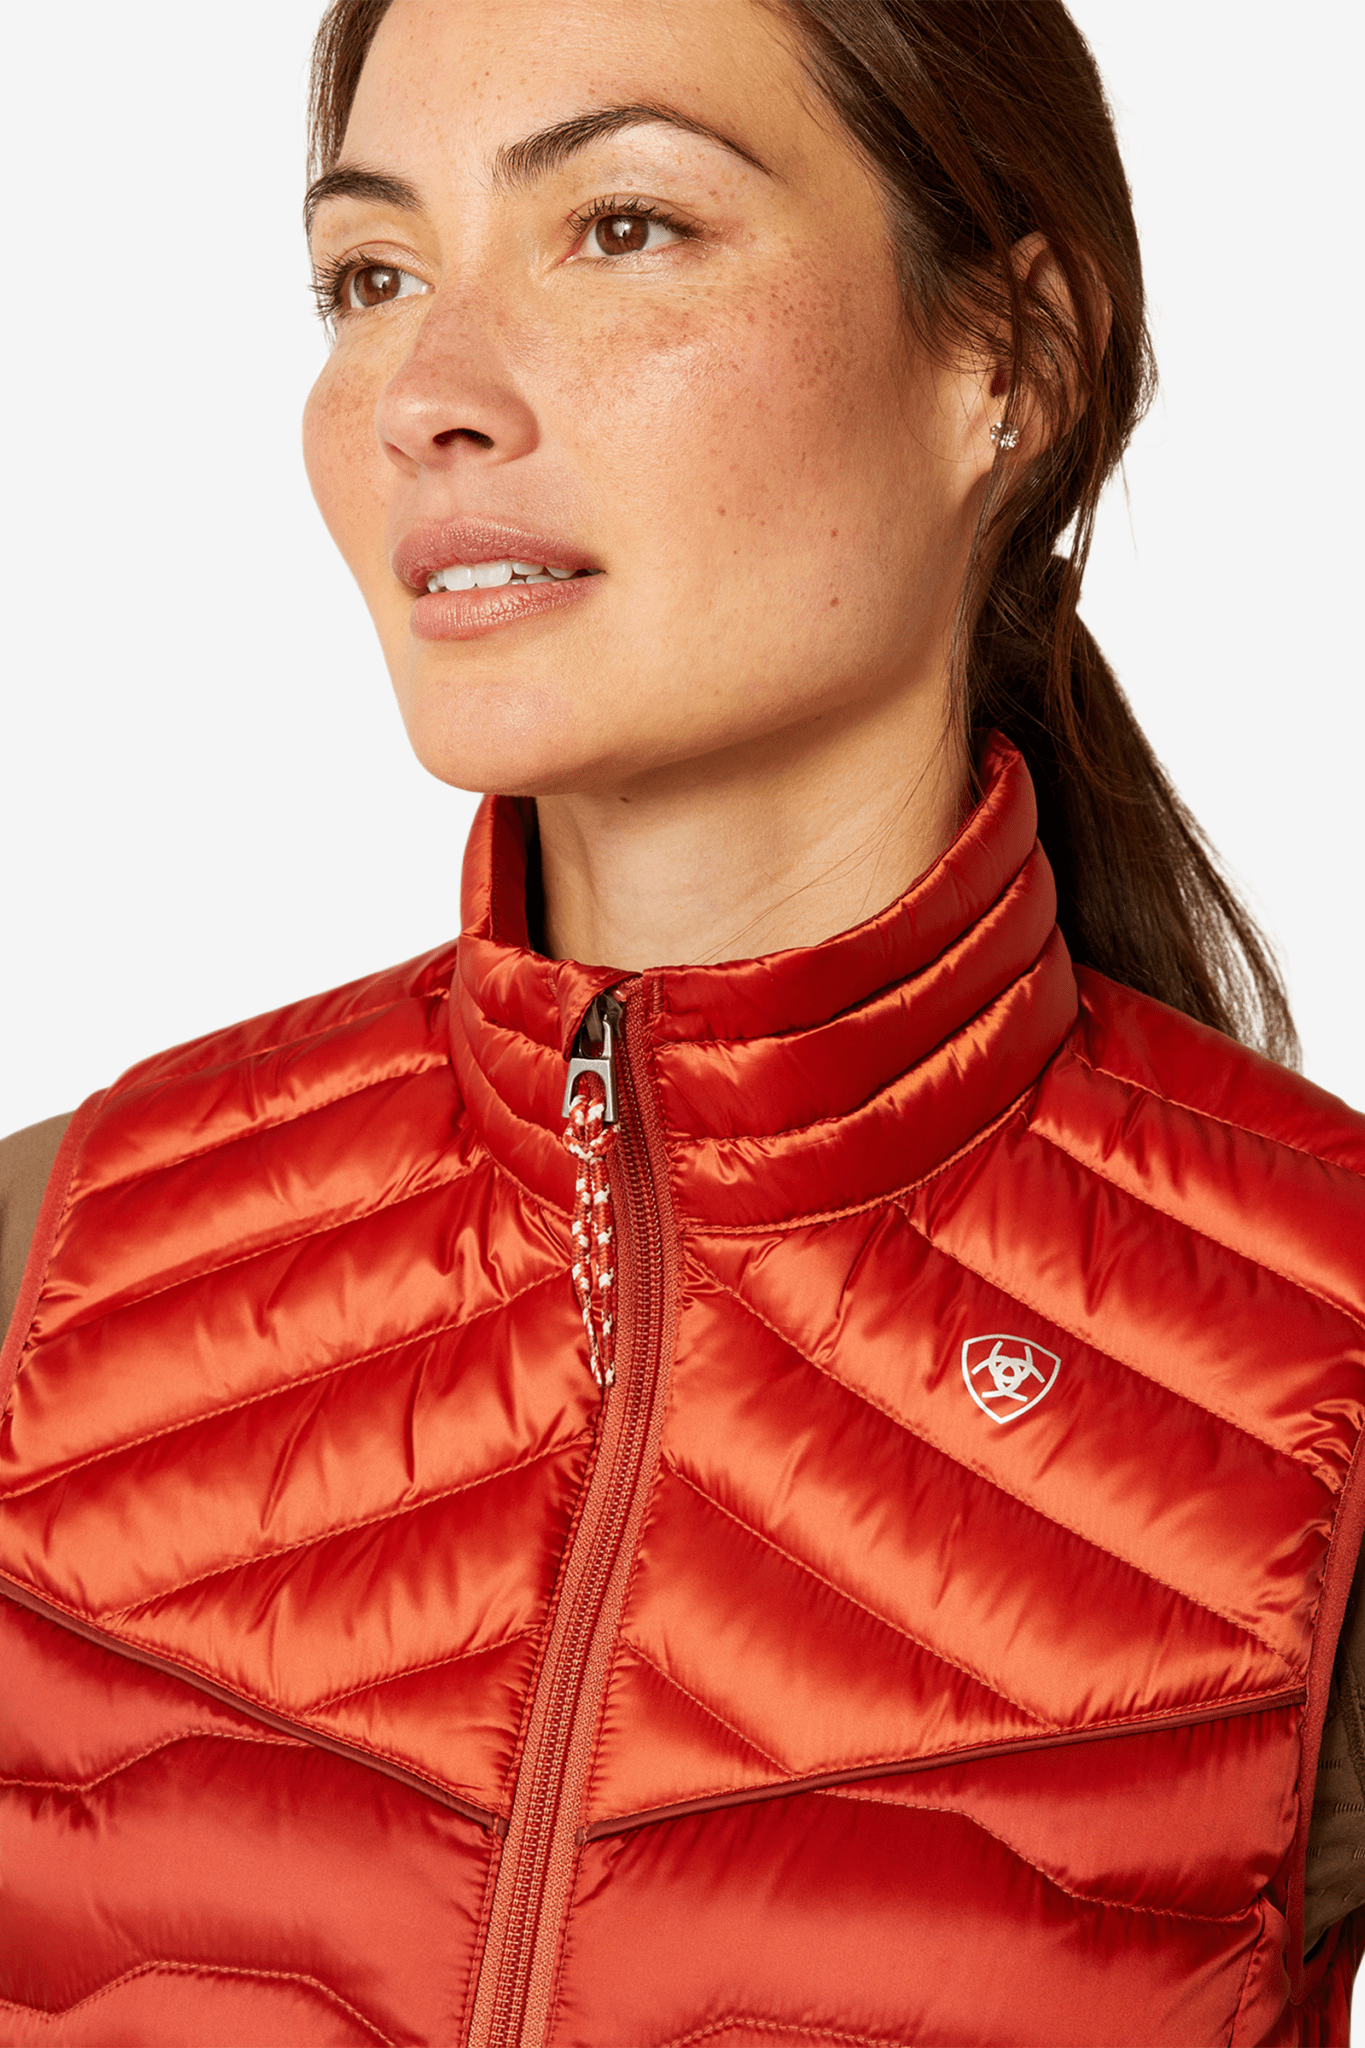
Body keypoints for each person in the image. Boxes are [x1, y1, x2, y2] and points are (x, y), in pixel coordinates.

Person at [2, 1, 1364, 2042]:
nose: (427, 394)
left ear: (1013, 359)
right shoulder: (50, 1262)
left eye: (623, 228)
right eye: (371, 275)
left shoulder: (1324, 1360)